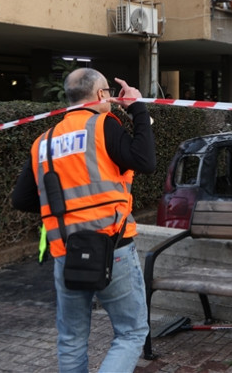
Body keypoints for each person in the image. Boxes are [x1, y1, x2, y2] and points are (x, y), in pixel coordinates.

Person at [11, 68, 156, 372]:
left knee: (71, 338)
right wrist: (138, 109)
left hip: (66, 251)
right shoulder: (104, 125)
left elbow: (22, 200)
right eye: (109, 94)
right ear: (102, 95)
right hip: (112, 247)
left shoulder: (44, 141)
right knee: (131, 333)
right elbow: (144, 160)